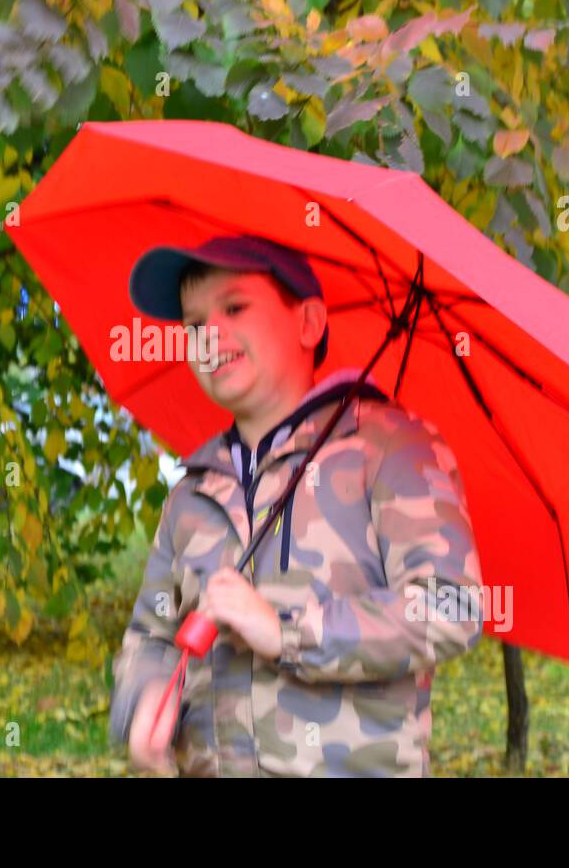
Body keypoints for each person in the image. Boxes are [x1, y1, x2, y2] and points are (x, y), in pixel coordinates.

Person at [107, 233, 484, 777]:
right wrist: (144, 701)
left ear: (308, 323)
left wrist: (286, 632)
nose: (209, 334)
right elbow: (150, 635)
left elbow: (452, 607)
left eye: (235, 307)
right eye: (193, 324)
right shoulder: (193, 490)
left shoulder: (390, 451)